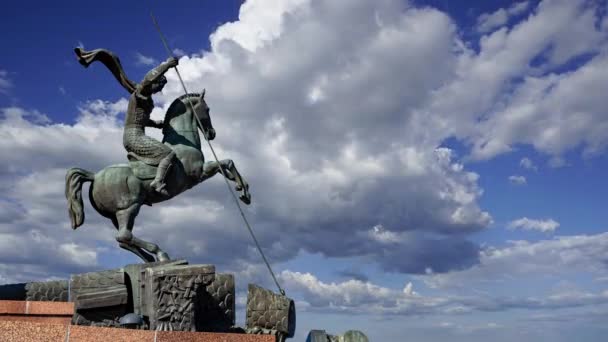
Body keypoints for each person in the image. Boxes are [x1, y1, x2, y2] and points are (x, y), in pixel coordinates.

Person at [124, 57, 179, 195]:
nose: (160, 89)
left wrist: (156, 124)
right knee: (168, 153)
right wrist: (167, 65)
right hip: (133, 136)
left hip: (136, 134)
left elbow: (142, 120)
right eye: (160, 85)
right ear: (156, 82)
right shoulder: (141, 92)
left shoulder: (148, 99)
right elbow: (148, 79)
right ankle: (158, 181)